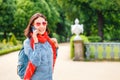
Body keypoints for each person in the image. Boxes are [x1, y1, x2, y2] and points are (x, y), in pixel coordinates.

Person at [23, 13, 58, 80]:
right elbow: (36, 62)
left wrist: (56, 48)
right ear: (32, 26)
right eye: (38, 24)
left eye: (44, 23)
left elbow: (51, 60)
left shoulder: (48, 41)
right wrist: (36, 43)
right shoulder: (27, 42)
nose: (41, 26)